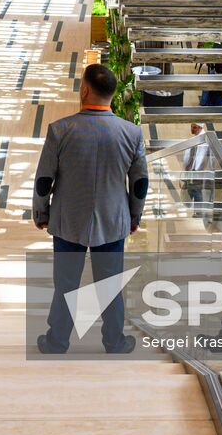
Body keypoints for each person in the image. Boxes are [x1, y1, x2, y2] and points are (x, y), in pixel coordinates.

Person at [32, 64, 148, 355]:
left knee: (66, 283)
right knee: (110, 283)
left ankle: (57, 341)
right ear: (113, 93)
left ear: (84, 90)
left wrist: (41, 213)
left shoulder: (60, 130)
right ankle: (114, 341)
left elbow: (44, 179)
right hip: (113, 220)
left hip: (68, 219)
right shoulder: (131, 133)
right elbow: (139, 183)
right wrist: (134, 216)